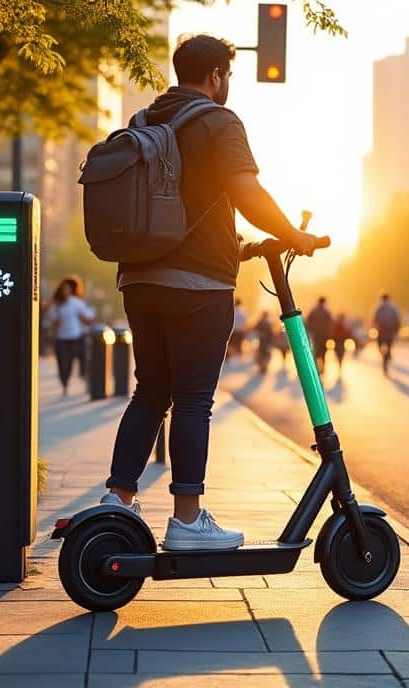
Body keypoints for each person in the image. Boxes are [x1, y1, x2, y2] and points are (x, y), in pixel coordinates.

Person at [101, 33, 321, 552]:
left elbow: (182, 206)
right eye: (229, 77)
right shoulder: (219, 122)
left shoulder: (148, 120)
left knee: (152, 390)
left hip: (139, 278)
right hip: (197, 285)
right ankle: (187, 519)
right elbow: (247, 193)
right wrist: (295, 236)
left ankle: (119, 502)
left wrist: (237, 246)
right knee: (194, 399)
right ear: (218, 75)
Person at [48, 275, 96, 396]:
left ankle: (83, 376)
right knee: (63, 363)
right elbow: (53, 323)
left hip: (75, 337)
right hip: (61, 338)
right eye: (64, 289)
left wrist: (87, 319)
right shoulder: (56, 304)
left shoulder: (76, 303)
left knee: (77, 360)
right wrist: (52, 339)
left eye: (68, 289)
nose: (66, 291)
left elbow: (87, 319)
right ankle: (64, 383)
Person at [372, 292, 402, 374]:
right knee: (389, 346)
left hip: (381, 331)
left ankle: (385, 356)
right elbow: (398, 320)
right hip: (390, 331)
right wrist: (397, 330)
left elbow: (374, 319)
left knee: (379, 346)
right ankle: (387, 355)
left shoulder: (379, 307)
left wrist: (374, 328)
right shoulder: (394, 308)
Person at [306, 296, 333, 376]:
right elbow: (330, 324)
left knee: (316, 352)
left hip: (316, 335)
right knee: (324, 353)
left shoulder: (313, 311)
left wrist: (311, 332)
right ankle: (323, 368)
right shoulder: (326, 312)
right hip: (324, 336)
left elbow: (308, 322)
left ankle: (316, 369)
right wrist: (330, 335)